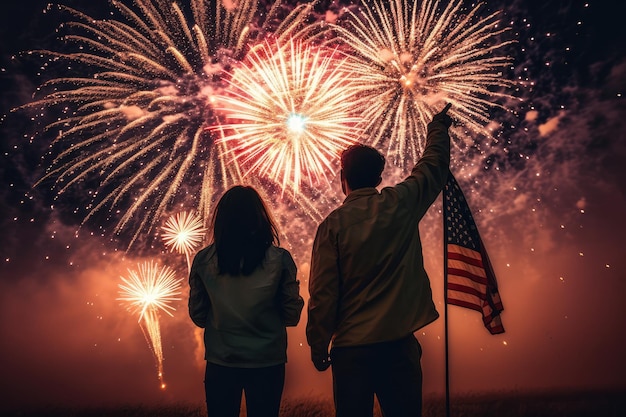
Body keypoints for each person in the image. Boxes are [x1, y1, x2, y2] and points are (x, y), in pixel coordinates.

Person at [306, 104, 453, 417]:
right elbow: (434, 166)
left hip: (351, 351)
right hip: (398, 346)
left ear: (342, 178)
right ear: (379, 176)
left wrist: (318, 344)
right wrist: (437, 128)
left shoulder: (332, 226)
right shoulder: (400, 203)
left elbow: (323, 293)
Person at [189, 185, 304, 417]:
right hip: (267, 361)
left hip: (221, 360)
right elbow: (292, 316)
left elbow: (198, 316)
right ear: (260, 218)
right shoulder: (279, 260)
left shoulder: (203, 260)